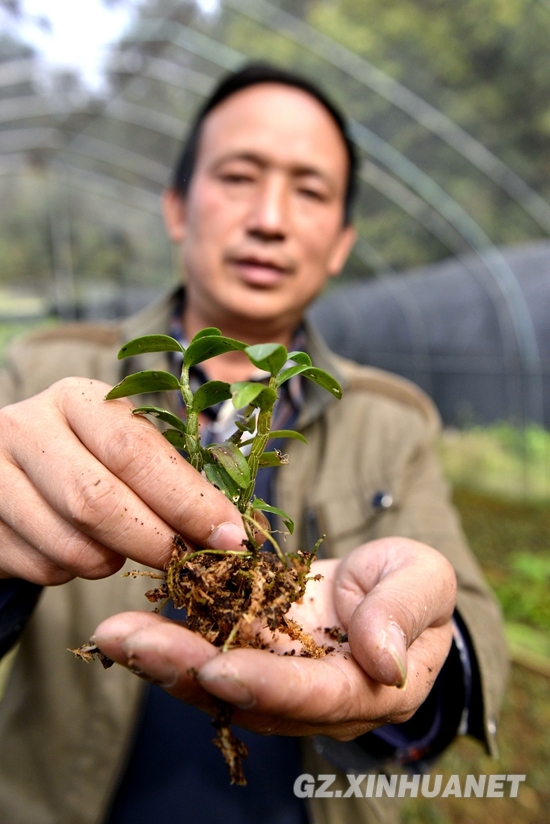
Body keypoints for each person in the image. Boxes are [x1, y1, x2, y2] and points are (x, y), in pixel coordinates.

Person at [0, 64, 507, 824]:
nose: (270, 217)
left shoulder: (392, 420)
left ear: (340, 244)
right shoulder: (40, 373)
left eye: (309, 191)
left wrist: (418, 643)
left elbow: (465, 621)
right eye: (239, 176)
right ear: (177, 207)